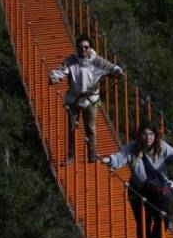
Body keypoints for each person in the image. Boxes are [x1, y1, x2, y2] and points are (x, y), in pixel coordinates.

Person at [103, 122, 173, 238]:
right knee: (143, 223)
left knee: (165, 217)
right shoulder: (132, 148)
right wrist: (108, 160)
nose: (148, 137)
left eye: (151, 134)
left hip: (157, 190)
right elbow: (120, 157)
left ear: (155, 135)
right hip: (137, 190)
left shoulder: (162, 146)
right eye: (144, 134)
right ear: (139, 135)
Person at [50, 34, 123, 163]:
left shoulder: (97, 61)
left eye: (86, 47)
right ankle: (71, 156)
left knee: (91, 128)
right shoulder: (71, 61)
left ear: (90, 48)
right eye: (80, 47)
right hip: (73, 99)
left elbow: (112, 67)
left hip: (91, 99)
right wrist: (54, 77)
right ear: (77, 48)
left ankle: (92, 155)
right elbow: (60, 72)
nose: (83, 50)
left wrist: (118, 71)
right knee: (72, 128)